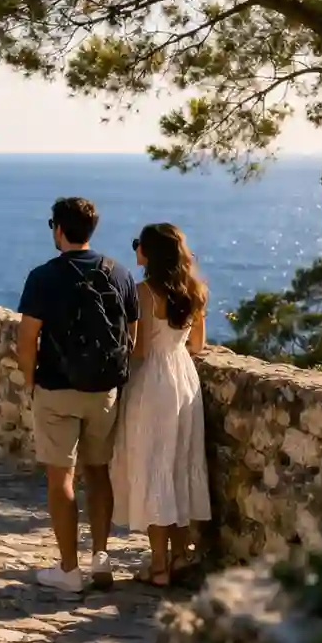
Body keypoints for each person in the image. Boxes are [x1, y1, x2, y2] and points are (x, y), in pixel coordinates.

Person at [16, 197, 139, 593]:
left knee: (61, 478)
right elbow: (131, 338)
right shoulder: (119, 273)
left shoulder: (43, 277)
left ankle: (68, 570)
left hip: (57, 389)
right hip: (103, 391)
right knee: (98, 472)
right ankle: (101, 556)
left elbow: (27, 339)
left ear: (58, 229)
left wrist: (29, 381)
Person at [111, 223, 210, 586]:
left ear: (149, 253)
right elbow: (197, 345)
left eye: (138, 243)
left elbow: (137, 349)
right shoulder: (196, 291)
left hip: (151, 384)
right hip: (184, 379)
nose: (135, 248)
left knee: (153, 466)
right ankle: (179, 557)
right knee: (178, 465)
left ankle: (157, 566)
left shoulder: (143, 293)